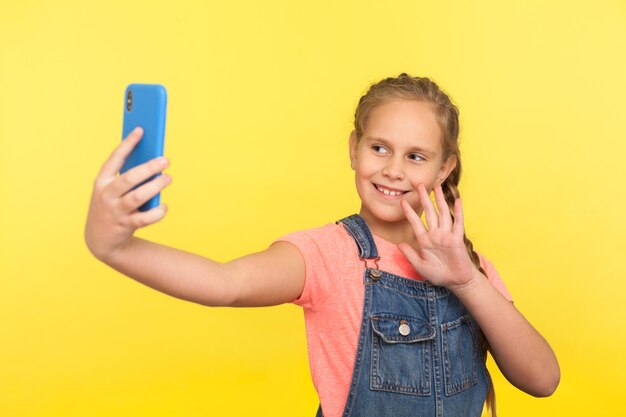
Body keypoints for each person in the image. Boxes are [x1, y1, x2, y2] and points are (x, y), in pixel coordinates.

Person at [85, 73, 559, 417]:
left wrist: (466, 281)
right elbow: (224, 283)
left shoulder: (467, 263)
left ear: (444, 168)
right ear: (354, 149)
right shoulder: (326, 256)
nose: (393, 169)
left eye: (416, 156)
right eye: (379, 148)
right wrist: (116, 248)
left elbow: (543, 380)